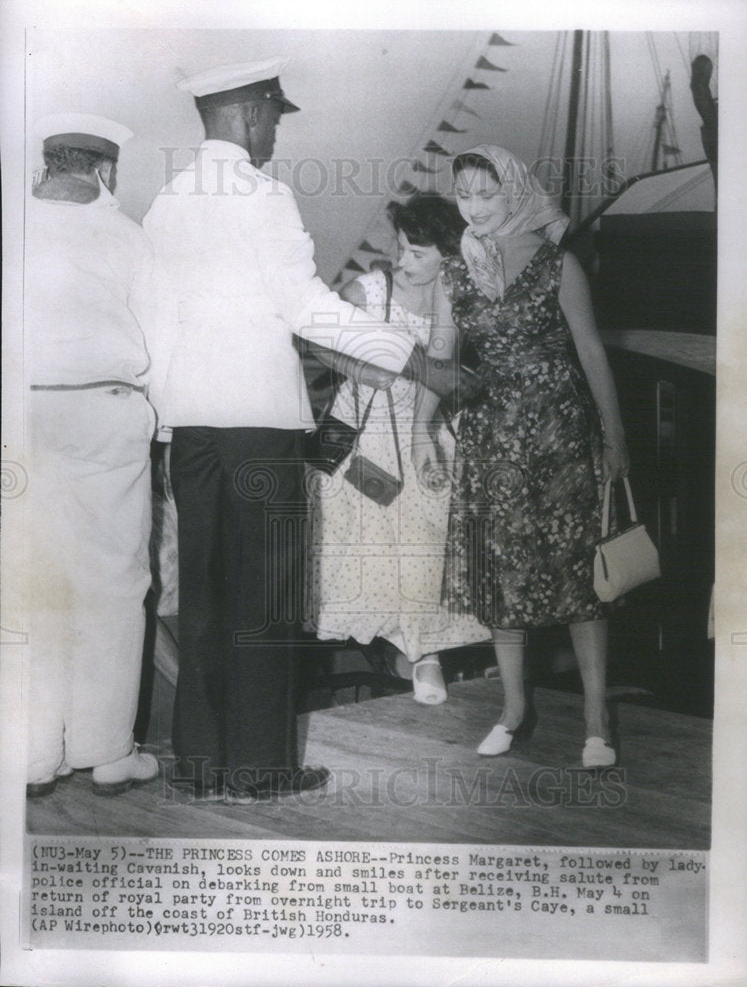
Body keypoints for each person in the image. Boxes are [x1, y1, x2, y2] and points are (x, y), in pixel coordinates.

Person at [143, 60, 472, 802]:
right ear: (252, 114)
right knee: (264, 598)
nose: (277, 134)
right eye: (276, 119)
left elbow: (153, 318)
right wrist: (416, 359)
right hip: (259, 422)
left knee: (202, 596)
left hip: (189, 426)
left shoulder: (166, 201)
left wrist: (168, 417)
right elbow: (308, 309)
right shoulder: (265, 196)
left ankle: (199, 764)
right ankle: (261, 767)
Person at [413, 145, 630, 768]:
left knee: (579, 576)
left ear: (513, 194)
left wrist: (615, 438)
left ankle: (596, 719)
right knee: (500, 579)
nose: (475, 208)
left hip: (560, 430)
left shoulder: (559, 263)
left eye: (487, 194)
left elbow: (592, 354)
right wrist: (422, 432)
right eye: (466, 196)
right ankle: (513, 709)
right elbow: (443, 362)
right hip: (488, 439)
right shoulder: (454, 273)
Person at [309, 195, 490, 704]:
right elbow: (313, 337)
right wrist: (362, 371)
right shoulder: (370, 290)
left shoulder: (455, 295)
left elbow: (444, 365)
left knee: (435, 534)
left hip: (425, 429)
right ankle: (418, 652)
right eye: (403, 249)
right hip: (362, 436)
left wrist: (427, 431)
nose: (404, 262)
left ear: (449, 257)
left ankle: (424, 647)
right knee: (384, 539)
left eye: (417, 254)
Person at [25, 113, 159, 797]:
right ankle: (107, 752)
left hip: (18, 411)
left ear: (47, 167)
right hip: (105, 410)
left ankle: (28, 756)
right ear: (104, 172)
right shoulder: (126, 234)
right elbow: (159, 338)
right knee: (110, 582)